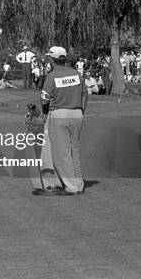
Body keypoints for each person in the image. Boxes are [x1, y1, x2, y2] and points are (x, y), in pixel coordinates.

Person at [38, 46, 87, 195]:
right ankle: (78, 184)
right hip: (77, 114)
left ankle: (71, 186)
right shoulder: (76, 74)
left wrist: (45, 113)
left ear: (52, 60)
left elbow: (44, 99)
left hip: (59, 114)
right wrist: (81, 112)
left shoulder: (52, 76)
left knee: (61, 153)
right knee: (74, 151)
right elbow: (85, 94)